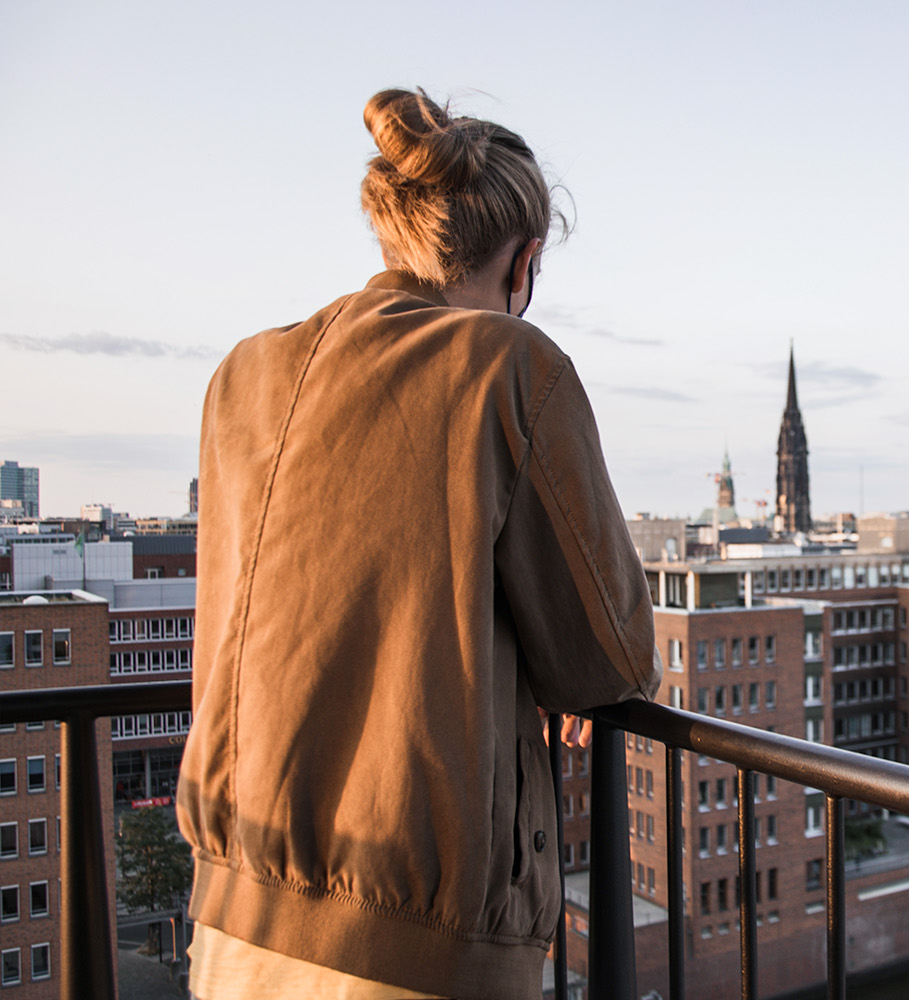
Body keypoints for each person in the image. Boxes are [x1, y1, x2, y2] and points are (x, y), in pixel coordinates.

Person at [176, 88, 661, 1000]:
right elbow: (611, 656)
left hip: (233, 917)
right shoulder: (510, 367)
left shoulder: (243, 373)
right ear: (524, 261)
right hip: (416, 948)